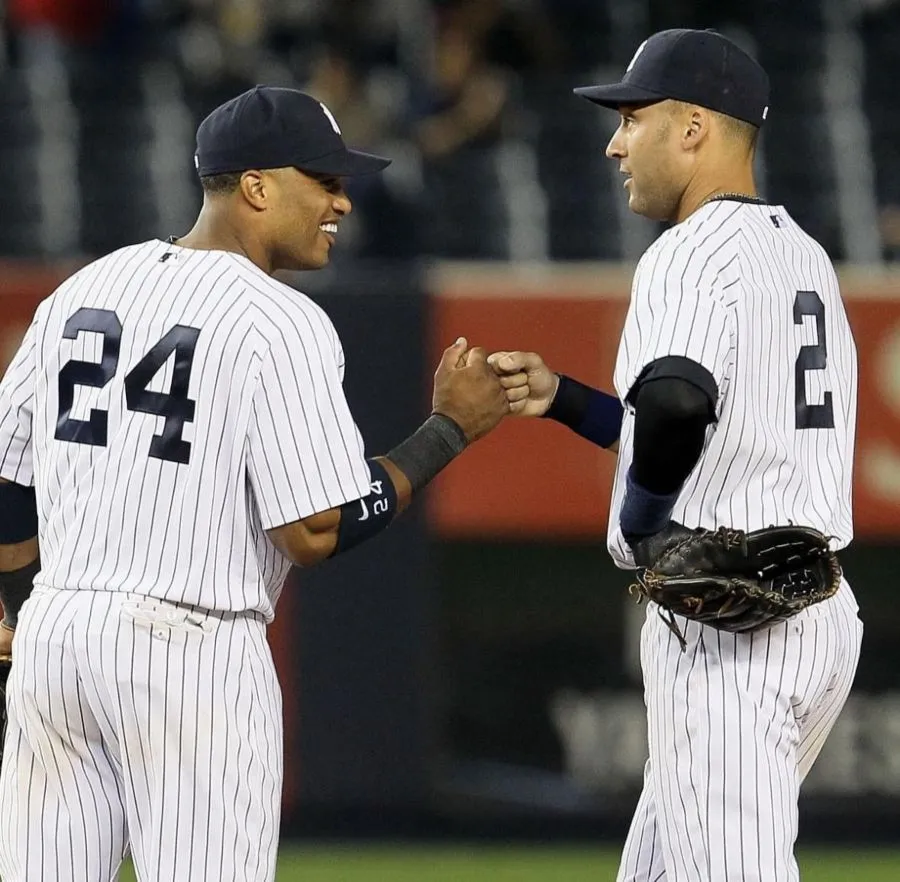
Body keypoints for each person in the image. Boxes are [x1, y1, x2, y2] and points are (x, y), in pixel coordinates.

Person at [0, 85, 523, 882]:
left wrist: (12, 604)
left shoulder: (82, 289)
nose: (343, 201)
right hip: (190, 651)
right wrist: (447, 431)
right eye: (325, 180)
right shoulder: (277, 319)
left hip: (56, 641)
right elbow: (314, 529)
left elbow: (9, 481)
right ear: (256, 187)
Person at [490, 29, 863, 882]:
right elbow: (699, 421)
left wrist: (643, 525)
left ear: (693, 126)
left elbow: (678, 403)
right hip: (816, 612)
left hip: (733, 636)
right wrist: (565, 400)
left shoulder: (690, 251)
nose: (615, 141)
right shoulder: (801, 254)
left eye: (633, 117)